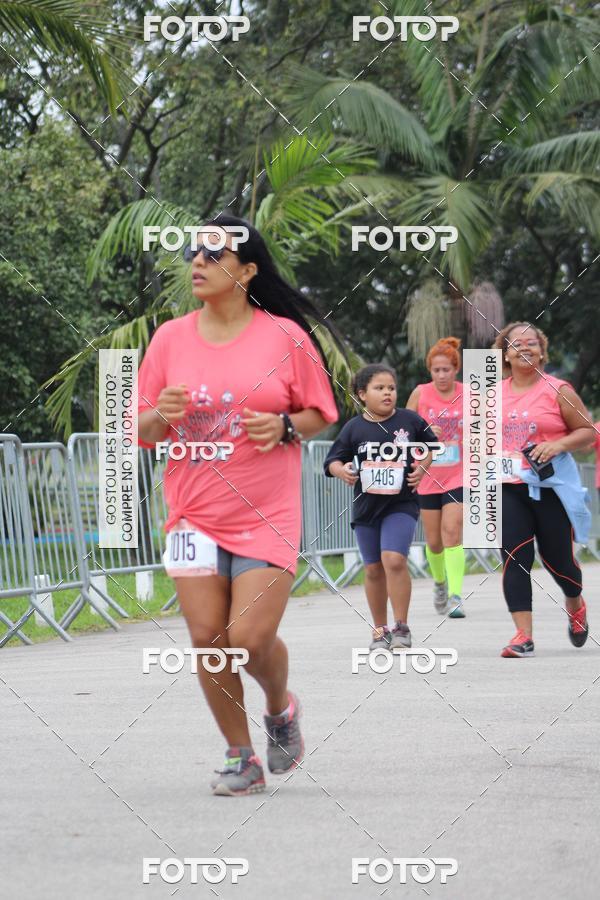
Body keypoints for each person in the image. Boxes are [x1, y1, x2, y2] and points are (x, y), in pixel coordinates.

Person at [137, 216, 341, 795]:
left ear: (247, 271)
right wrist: (164, 414)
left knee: (247, 638)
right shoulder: (170, 338)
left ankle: (279, 706)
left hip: (265, 511)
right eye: (193, 253)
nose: (197, 262)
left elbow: (320, 414)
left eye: (214, 254)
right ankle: (240, 755)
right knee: (208, 638)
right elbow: (143, 429)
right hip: (191, 513)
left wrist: (282, 424)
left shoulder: (285, 337)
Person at [492, 322, 594, 658]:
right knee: (515, 556)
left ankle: (575, 601)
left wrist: (559, 444)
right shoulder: (489, 394)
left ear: (542, 350)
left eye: (532, 343)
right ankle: (523, 634)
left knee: (558, 561)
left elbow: (587, 432)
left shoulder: (558, 389)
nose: (526, 348)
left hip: (550, 487)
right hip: (508, 486)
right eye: (517, 343)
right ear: (505, 353)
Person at [323, 364, 437, 650]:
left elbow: (432, 447)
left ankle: (401, 627)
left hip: (401, 502)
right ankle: (380, 629)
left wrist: (422, 468)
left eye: (391, 388)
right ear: (362, 394)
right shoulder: (354, 428)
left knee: (394, 559)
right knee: (373, 568)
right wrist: (343, 471)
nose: (387, 393)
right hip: (366, 508)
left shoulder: (410, 420)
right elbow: (333, 461)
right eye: (379, 388)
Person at [406, 337, 465, 618]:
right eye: (436, 370)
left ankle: (456, 595)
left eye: (447, 370)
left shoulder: (469, 394)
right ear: (430, 371)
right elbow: (403, 432)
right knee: (434, 541)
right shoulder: (420, 393)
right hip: (428, 474)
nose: (441, 375)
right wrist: (425, 432)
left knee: (452, 532)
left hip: (459, 475)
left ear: (456, 369)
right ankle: (440, 583)